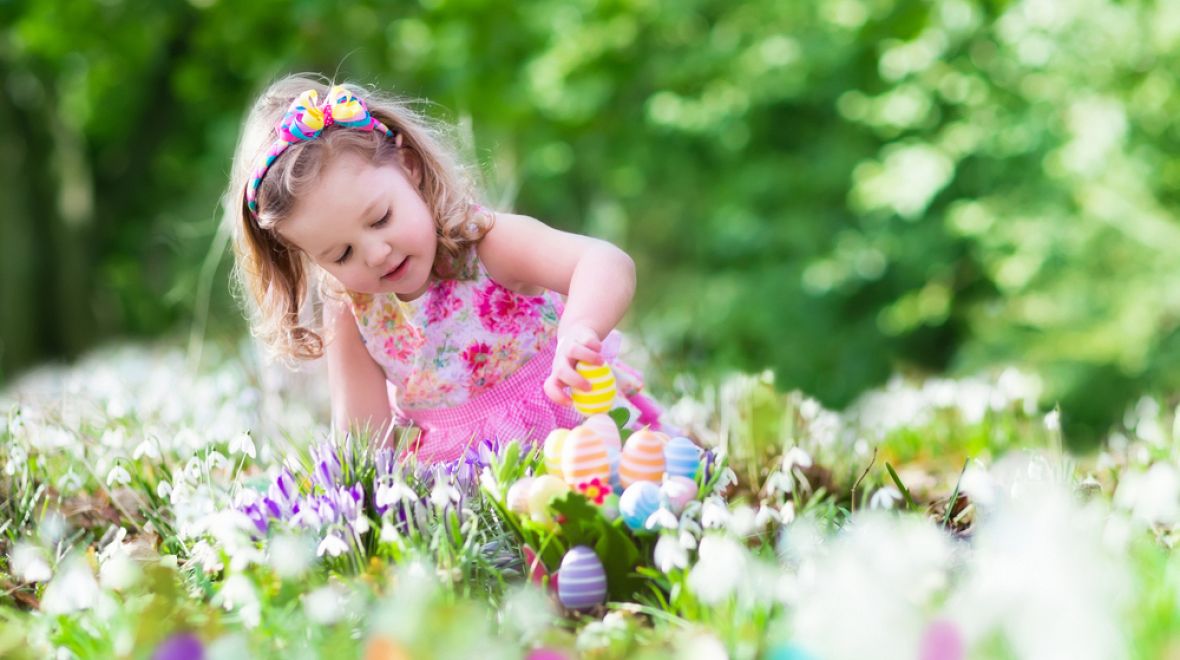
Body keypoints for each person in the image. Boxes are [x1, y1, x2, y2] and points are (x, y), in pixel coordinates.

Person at [224, 74, 667, 462]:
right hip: (472, 486)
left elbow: (603, 261)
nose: (375, 253)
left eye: (381, 219)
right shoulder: (352, 310)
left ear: (409, 167)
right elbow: (365, 440)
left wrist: (579, 330)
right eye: (341, 255)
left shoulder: (487, 243)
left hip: (580, 439)